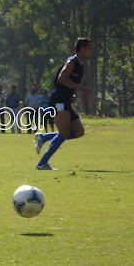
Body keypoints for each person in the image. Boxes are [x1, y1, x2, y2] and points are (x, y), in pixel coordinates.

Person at [34, 38, 93, 170]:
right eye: (89, 48)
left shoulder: (81, 64)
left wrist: (70, 94)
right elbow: (61, 78)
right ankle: (42, 164)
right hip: (58, 101)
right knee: (63, 133)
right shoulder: (72, 62)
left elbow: (64, 83)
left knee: (79, 132)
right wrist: (81, 88)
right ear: (82, 49)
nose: (91, 51)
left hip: (64, 101)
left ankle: (43, 137)